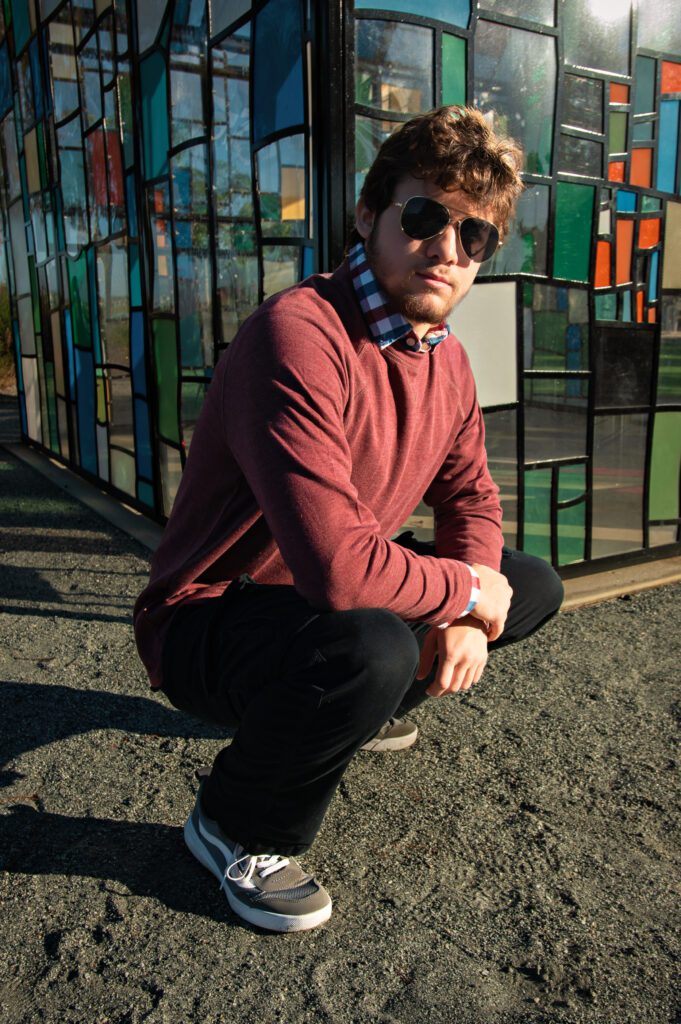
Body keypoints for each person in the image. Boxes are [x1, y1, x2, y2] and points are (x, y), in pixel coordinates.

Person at [133, 106, 564, 933]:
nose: (446, 248)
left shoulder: (447, 358)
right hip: (211, 614)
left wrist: (474, 601)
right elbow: (336, 568)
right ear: (368, 215)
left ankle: (358, 711)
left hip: (327, 599)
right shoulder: (297, 334)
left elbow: (468, 497)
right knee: (373, 643)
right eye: (425, 216)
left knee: (528, 584)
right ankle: (236, 822)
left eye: (472, 236)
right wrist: (460, 591)